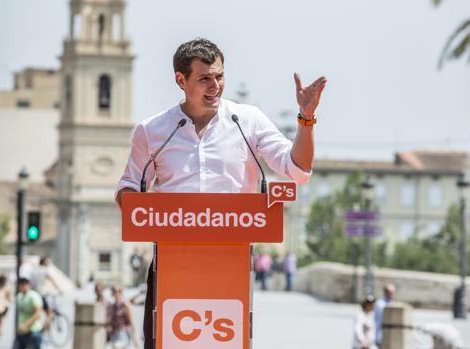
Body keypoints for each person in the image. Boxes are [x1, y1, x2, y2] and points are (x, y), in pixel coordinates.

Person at [115, 38, 326, 349]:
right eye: (204, 78)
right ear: (181, 80)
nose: (215, 86)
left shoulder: (248, 121)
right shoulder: (153, 130)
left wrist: (305, 120)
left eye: (219, 76)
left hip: (232, 267)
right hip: (171, 264)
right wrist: (137, 207)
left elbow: (298, 169)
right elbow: (129, 187)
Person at [14, 277, 44, 349]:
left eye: (25, 284)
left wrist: (25, 325)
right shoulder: (18, 297)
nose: (23, 287)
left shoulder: (34, 296)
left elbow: (38, 314)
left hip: (33, 331)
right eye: (21, 285)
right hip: (21, 332)